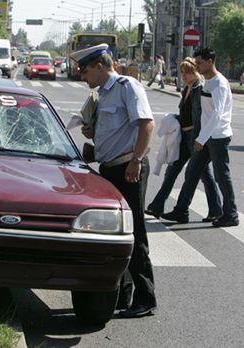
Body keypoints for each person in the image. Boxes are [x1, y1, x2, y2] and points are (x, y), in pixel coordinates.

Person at [72, 43, 157, 318]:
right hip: (109, 168)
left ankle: (146, 298)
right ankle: (124, 293)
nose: (82, 75)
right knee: (117, 233)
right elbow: (114, 129)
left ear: (99, 66)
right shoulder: (103, 94)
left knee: (136, 234)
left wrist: (136, 160)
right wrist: (92, 130)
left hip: (128, 169)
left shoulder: (126, 86)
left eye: (84, 70)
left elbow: (147, 124)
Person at [162, 47, 239, 227]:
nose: (196, 66)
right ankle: (181, 211)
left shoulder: (219, 83)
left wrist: (201, 138)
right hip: (206, 136)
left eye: (199, 63)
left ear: (210, 61)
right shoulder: (210, 81)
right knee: (192, 172)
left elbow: (218, 114)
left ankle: (231, 214)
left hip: (217, 137)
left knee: (222, 176)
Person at [146, 57, 222, 221]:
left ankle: (213, 210)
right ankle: (157, 206)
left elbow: (204, 115)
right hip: (184, 136)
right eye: (182, 73)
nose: (184, 76)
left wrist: (200, 138)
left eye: (188, 72)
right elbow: (186, 114)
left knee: (203, 175)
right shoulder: (186, 89)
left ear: (196, 72)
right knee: (173, 171)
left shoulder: (199, 89)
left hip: (194, 137)